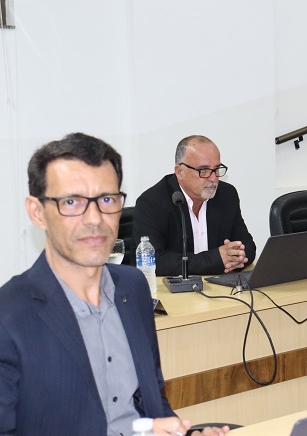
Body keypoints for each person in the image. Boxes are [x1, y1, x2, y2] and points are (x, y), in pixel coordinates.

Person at [0, 132, 228, 435]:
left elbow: (152, 403)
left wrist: (182, 432)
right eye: (72, 202)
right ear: (37, 213)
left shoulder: (133, 288)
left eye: (107, 199)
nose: (95, 219)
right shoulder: (10, 315)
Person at [134, 135, 256, 276]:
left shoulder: (226, 195)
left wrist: (236, 257)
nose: (213, 178)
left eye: (216, 169)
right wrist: (215, 260)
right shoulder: (152, 202)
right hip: (173, 289)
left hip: (218, 285)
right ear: (180, 172)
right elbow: (156, 261)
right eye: (203, 170)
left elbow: (248, 246)